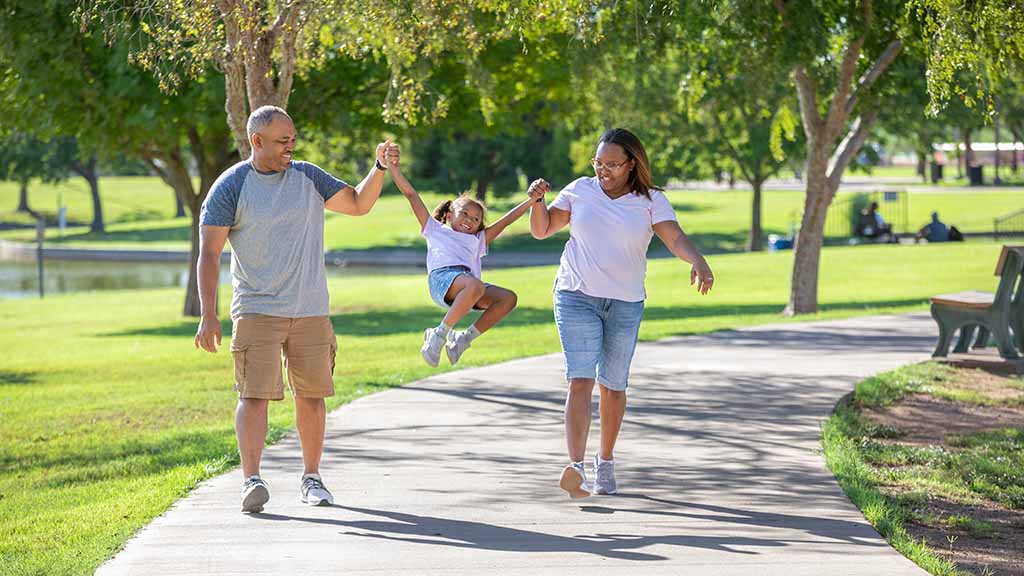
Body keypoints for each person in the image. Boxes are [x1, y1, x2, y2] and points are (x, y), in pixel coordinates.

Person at [193, 105, 398, 513]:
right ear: (257, 141)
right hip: (256, 309)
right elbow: (210, 254)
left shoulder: (308, 176)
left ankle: (312, 478)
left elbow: (357, 204)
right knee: (254, 396)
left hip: (310, 309)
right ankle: (251, 480)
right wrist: (208, 314)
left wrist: (378, 168)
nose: (292, 145)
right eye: (283, 140)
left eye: (293, 138)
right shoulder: (231, 186)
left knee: (312, 396)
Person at [528, 128, 713, 499]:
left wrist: (697, 260)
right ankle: (575, 467)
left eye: (612, 164)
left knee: (613, 386)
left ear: (632, 164)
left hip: (625, 302)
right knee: (580, 379)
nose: (603, 170)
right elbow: (543, 229)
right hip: (575, 294)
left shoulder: (651, 201)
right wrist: (536, 202)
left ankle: (605, 460)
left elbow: (673, 236)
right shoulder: (580, 190)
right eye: (598, 163)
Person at [388, 157, 540, 366]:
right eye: (465, 214)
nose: (469, 220)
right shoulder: (434, 229)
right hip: (443, 280)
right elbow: (411, 194)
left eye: (476, 219)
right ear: (450, 215)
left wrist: (533, 200)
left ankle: (463, 339)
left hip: (469, 288)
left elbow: (506, 220)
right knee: (474, 284)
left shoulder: (478, 240)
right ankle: (438, 335)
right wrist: (392, 167)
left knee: (508, 299)